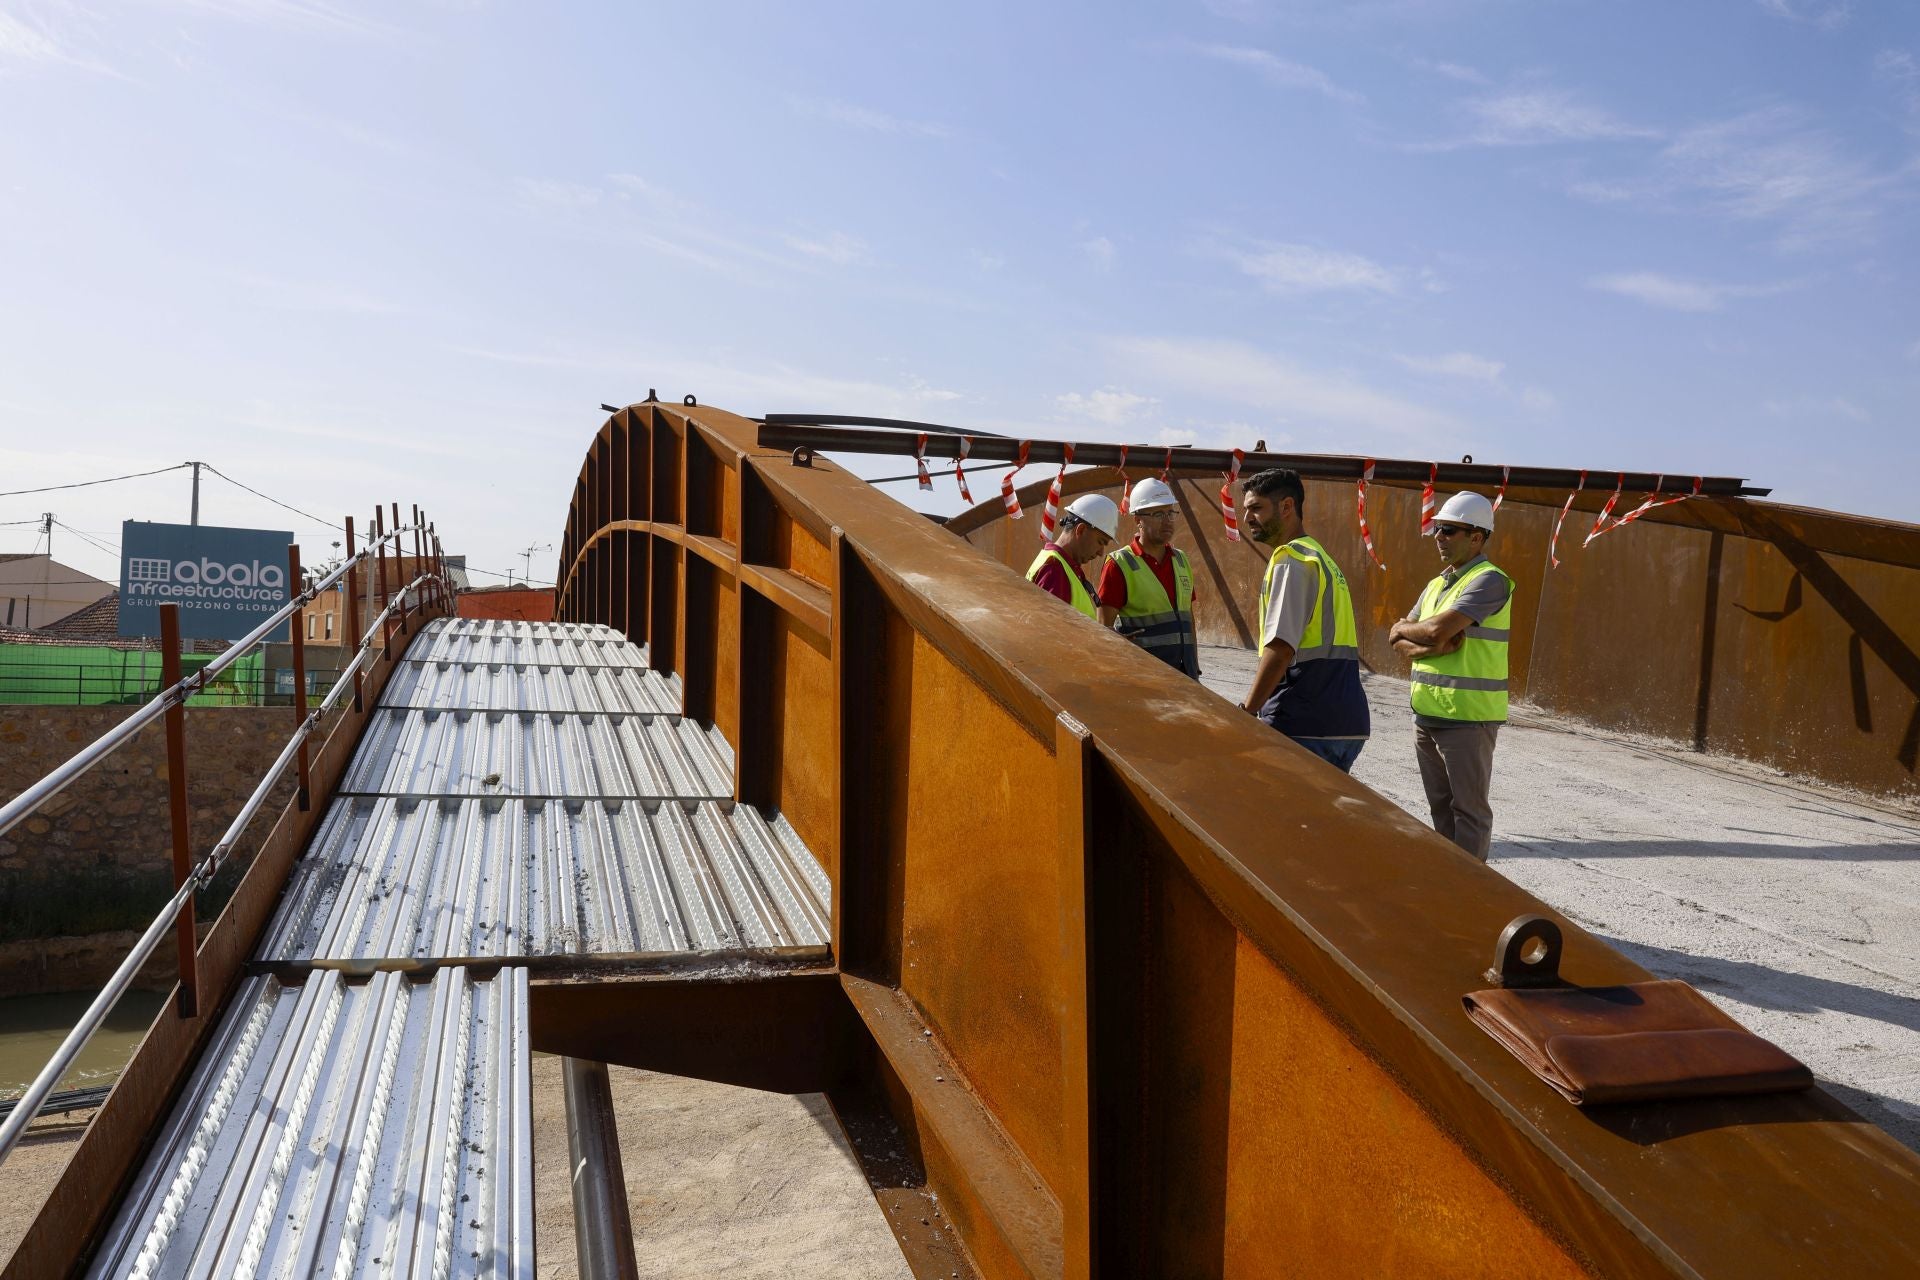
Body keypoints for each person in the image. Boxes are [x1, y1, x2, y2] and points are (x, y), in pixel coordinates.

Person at [1387, 492, 1513, 860]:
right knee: (1441, 812)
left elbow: (1434, 628)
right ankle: (1448, 886)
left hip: (1468, 718)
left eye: (1449, 530)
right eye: (1437, 529)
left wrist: (1425, 634)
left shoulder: (1490, 581)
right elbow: (1398, 635)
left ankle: (1470, 899)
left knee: (1469, 814)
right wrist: (1430, 646)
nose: (1439, 536)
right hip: (1427, 715)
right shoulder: (1437, 584)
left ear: (1477, 537)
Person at [1236, 468, 1370, 772]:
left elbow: (1281, 647)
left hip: (1303, 720)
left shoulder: (1291, 560)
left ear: (1286, 507)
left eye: (1256, 508)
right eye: (1246, 509)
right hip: (1344, 722)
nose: (1247, 518)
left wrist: (1247, 711)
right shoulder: (1320, 557)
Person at [1097, 477, 1201, 677]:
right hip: (1144, 677)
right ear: (1138, 519)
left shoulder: (1181, 560)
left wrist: (1194, 664)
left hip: (1185, 674)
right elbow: (1104, 628)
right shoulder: (1119, 563)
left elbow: (1188, 618)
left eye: (1171, 512)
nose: (1167, 521)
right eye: (1158, 514)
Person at [1025, 493, 1119, 619]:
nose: (1101, 553)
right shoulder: (1055, 570)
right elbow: (1051, 633)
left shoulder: (1060, 566)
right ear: (1080, 530)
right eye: (1100, 542)